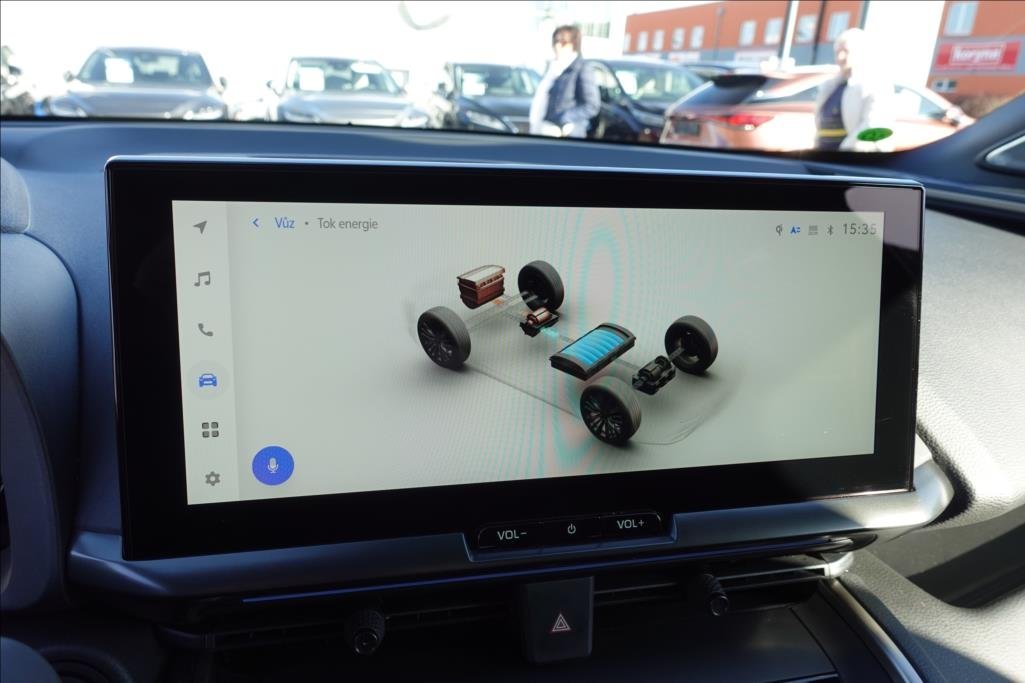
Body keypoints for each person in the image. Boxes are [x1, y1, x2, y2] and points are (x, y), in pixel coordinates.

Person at [815, 28, 895, 151]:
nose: (840, 57)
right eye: (837, 52)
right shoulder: (832, 86)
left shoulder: (876, 85)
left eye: (846, 51)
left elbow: (872, 126)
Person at [529, 25, 600, 138]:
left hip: (567, 135)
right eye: (555, 41)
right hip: (545, 130)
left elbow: (592, 106)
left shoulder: (582, 68)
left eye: (563, 42)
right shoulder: (553, 67)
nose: (557, 46)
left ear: (574, 44)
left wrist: (564, 119)